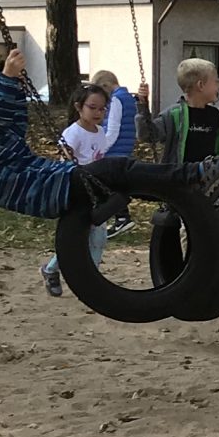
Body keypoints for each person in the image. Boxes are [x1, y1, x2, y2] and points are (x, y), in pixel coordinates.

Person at [0, 48, 219, 233]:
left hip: (51, 182)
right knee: (116, 169)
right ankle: (196, 173)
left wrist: (15, 92)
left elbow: (9, 127)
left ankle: (184, 189)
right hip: (49, 189)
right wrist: (5, 80)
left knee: (123, 179)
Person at [41, 79, 145, 298]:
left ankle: (92, 282)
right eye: (92, 107)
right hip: (76, 191)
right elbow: (65, 162)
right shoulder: (73, 133)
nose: (98, 113)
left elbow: (99, 158)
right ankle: (51, 269)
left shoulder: (99, 131)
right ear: (79, 107)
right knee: (74, 239)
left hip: (95, 192)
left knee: (98, 238)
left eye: (102, 109)